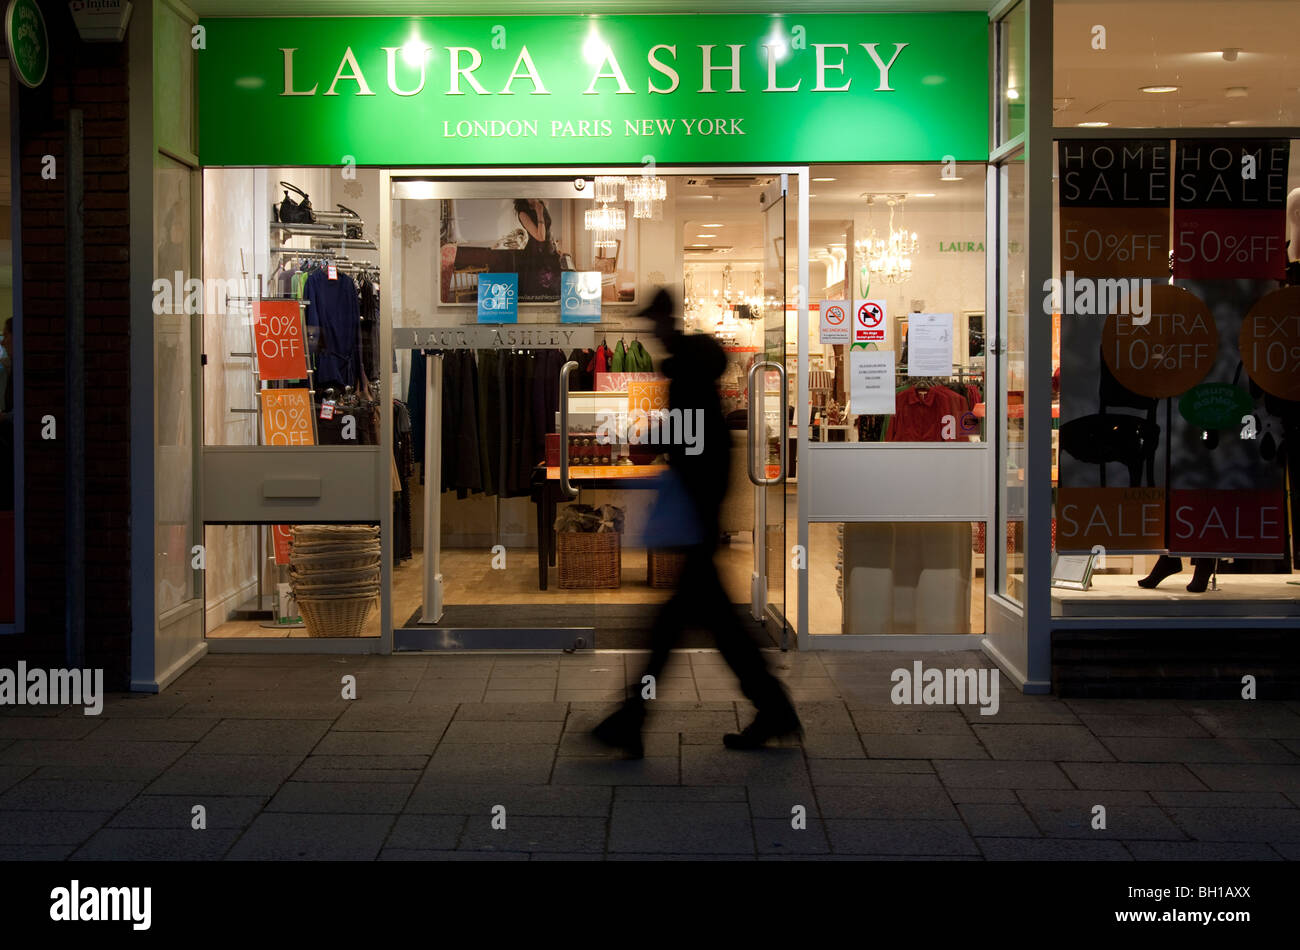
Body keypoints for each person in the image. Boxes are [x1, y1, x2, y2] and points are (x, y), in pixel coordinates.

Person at [592, 289, 801, 756]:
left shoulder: (687, 374)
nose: (651, 331)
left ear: (667, 321)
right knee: (707, 625)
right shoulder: (693, 371)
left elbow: (691, 437)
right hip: (699, 509)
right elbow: (698, 437)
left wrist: (643, 434)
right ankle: (770, 708)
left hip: (696, 510)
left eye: (654, 322)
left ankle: (635, 716)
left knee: (677, 627)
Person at [514, 198, 560, 300]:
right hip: (536, 256)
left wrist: (555, 246)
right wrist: (539, 213)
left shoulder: (542, 204)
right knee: (540, 292)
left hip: (550, 252)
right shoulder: (523, 213)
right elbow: (541, 237)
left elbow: (549, 230)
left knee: (555, 292)